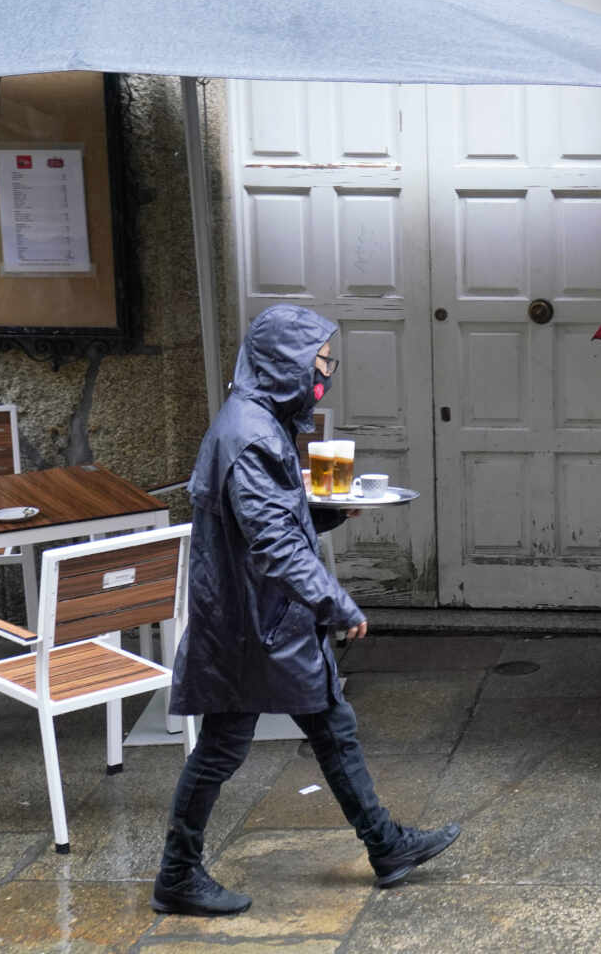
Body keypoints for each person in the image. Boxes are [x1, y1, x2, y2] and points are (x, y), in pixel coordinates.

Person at [152, 304, 460, 917]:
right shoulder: (250, 436)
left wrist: (324, 511)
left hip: (266, 620)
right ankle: (178, 874)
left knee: (331, 726)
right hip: (251, 626)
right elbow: (272, 545)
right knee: (221, 749)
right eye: (319, 362)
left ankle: (386, 845)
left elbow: (266, 521)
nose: (325, 374)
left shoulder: (257, 423)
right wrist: (336, 602)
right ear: (284, 364)